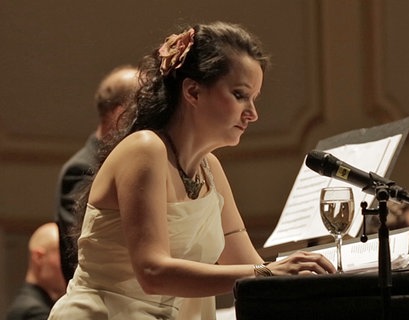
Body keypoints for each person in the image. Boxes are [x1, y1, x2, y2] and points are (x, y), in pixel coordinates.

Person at [48, 21, 335, 320]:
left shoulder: (210, 169)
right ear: (193, 92)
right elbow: (152, 272)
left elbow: (250, 270)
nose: (252, 113)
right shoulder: (145, 149)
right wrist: (267, 272)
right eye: (240, 95)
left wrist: (315, 282)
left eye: (254, 99)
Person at [54, 65, 139, 283]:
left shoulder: (129, 159)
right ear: (122, 114)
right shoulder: (81, 168)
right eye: (145, 107)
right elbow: (87, 246)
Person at [6, 223, 66, 320]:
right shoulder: (33, 312)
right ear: (39, 257)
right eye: (63, 255)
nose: (69, 264)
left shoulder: (32, 304)